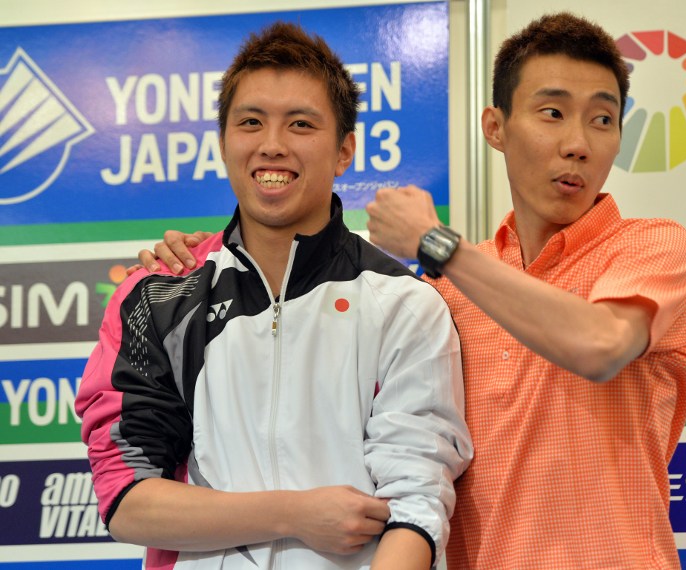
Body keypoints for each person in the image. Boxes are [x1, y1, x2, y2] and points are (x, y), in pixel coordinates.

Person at [141, 12, 686, 569]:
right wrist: (201, 260)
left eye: (603, 119)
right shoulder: (439, 294)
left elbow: (600, 345)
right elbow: (414, 476)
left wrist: (437, 245)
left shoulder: (650, 248)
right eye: (552, 113)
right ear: (495, 128)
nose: (578, 143)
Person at [76, 22, 472, 570]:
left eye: (301, 124)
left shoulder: (405, 301)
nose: (272, 145)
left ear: (344, 151)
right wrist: (293, 514)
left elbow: (418, 503)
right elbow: (126, 498)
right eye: (251, 122)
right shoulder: (157, 296)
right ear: (223, 142)